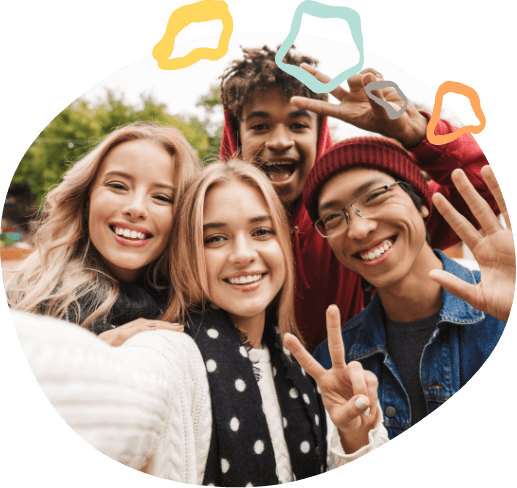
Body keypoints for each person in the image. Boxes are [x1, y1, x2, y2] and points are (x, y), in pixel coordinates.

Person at [11, 160, 389, 484]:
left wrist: (354, 436)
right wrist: (91, 359)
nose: (243, 254)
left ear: (285, 246)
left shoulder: (304, 376)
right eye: (215, 238)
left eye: (261, 231)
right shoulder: (170, 350)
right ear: (187, 255)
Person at [219, 45, 499, 352]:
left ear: (319, 134)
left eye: (298, 125)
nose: (280, 141)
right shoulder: (202, 223)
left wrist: (414, 132)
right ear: (235, 137)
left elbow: (484, 185)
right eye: (260, 126)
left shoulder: (370, 220)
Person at [301, 137, 508, 439]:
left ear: (421, 202)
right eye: (333, 217)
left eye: (374, 196)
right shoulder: (332, 365)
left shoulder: (501, 308)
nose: (359, 229)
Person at [6, 122, 200, 337]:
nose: (135, 208)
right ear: (87, 199)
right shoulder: (28, 302)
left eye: (162, 197)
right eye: (118, 186)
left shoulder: (202, 314)